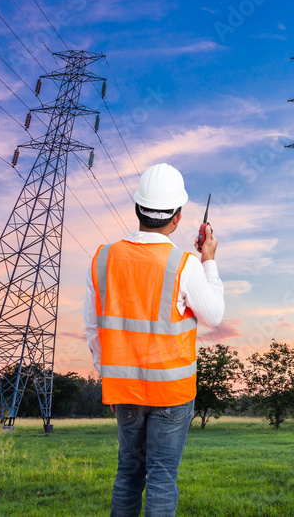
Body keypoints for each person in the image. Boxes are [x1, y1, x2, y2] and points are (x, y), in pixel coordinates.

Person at [84, 162, 224, 517]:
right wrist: (208, 260)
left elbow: (93, 328)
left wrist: (110, 380)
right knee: (162, 477)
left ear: (137, 209)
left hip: (124, 391)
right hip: (171, 394)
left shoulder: (103, 258)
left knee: (128, 474)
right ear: (177, 217)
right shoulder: (184, 264)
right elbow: (214, 315)